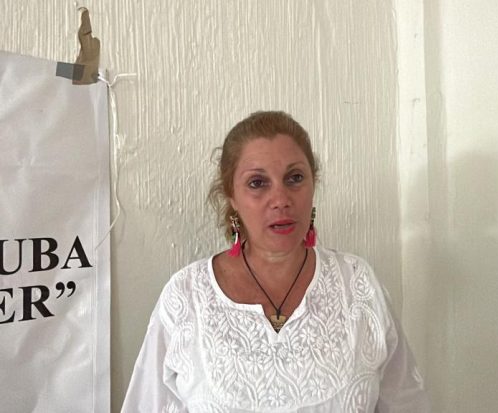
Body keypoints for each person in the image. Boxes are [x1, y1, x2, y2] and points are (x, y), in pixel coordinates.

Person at [121, 111, 430, 412]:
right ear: (231, 196)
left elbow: (407, 402)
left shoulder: (358, 285)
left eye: (294, 178)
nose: (281, 200)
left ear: (313, 184)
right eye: (257, 183)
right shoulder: (187, 297)